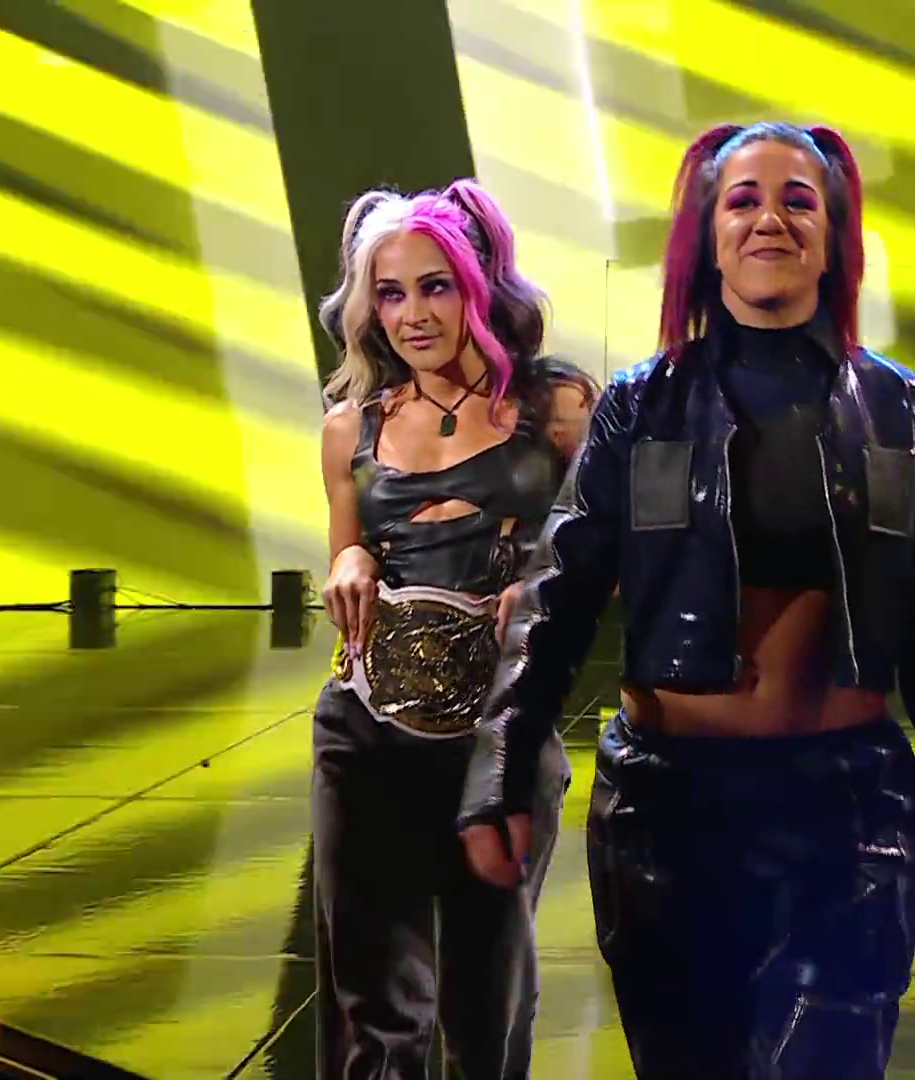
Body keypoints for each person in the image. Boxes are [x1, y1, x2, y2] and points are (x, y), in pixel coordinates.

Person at [457, 121, 915, 1079]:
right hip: (667, 807)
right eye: (743, 200)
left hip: (848, 808)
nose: (770, 220)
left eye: (799, 200)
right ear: (707, 237)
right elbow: (558, 593)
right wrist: (498, 766)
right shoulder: (640, 405)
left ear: (834, 237)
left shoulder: (904, 411)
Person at [311, 179, 585, 1080]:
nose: (413, 314)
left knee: (486, 1001)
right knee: (375, 1005)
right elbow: (346, 550)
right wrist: (352, 558)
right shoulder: (350, 427)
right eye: (390, 294)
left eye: (436, 286)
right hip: (366, 730)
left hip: (498, 740)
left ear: (479, 287)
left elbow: (609, 558)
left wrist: (541, 587)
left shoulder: (558, 409)